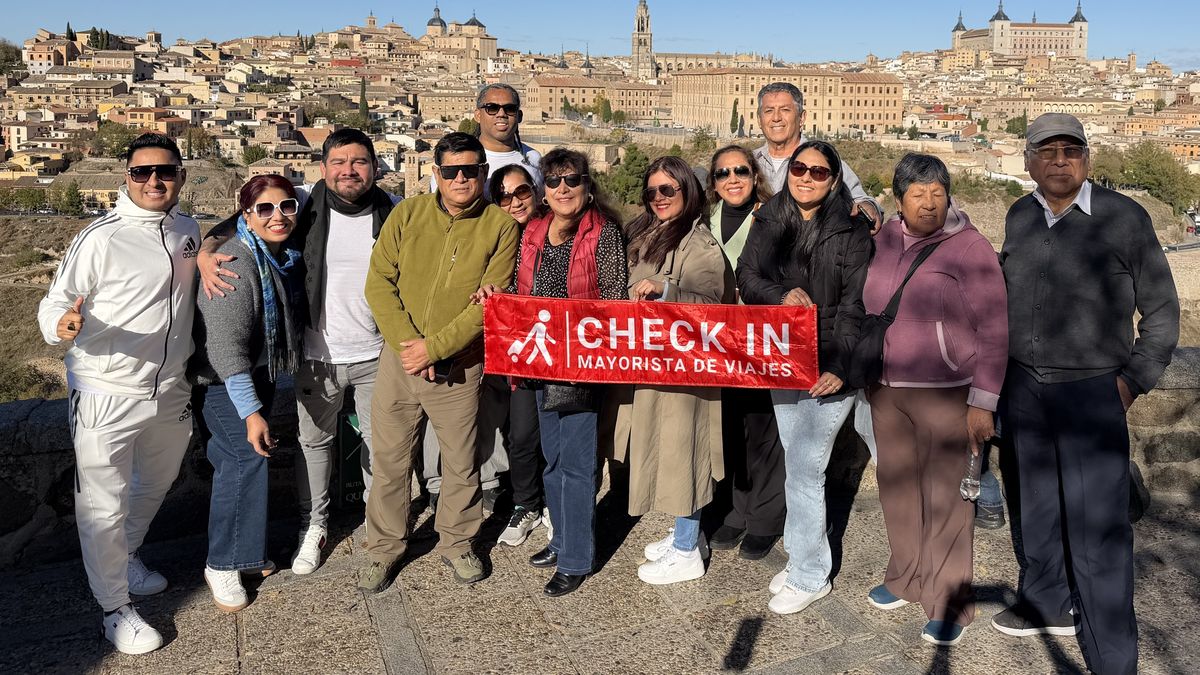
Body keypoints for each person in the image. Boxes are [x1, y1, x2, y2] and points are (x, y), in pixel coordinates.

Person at [992, 113, 1179, 674]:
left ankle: (1111, 659)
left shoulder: (1125, 218)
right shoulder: (1019, 215)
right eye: (1045, 151)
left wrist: (1130, 381)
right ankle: (1048, 603)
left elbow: (1163, 313)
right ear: (1027, 162)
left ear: (1087, 159)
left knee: (1098, 531)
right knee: (1039, 509)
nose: (1058, 160)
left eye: (1070, 151)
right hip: (1025, 388)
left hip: (1091, 392)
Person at [199, 129, 399, 576]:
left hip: (376, 354)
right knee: (313, 444)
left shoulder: (395, 211)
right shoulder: (303, 201)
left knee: (381, 447)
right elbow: (237, 221)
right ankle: (315, 526)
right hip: (313, 356)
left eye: (360, 161)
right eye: (339, 162)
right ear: (323, 168)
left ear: (375, 166)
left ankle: (380, 524)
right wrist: (205, 254)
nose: (349, 170)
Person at [36, 133, 198, 654]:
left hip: (170, 388)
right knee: (102, 504)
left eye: (166, 171)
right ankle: (114, 608)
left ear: (180, 177)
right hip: (106, 390)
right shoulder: (100, 237)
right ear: (124, 179)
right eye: (142, 173)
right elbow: (55, 300)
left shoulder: (188, 231)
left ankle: (126, 556)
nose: (154, 181)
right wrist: (60, 324)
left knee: (156, 481)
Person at [359, 132, 518, 590]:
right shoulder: (408, 214)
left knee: (461, 462)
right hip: (400, 362)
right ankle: (384, 548)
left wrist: (437, 348)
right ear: (436, 174)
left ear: (484, 173)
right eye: (452, 171)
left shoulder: (500, 227)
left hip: (460, 367)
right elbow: (378, 284)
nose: (461, 178)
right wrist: (412, 345)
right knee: (390, 461)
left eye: (471, 169)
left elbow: (490, 303)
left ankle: (458, 543)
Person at [862, 154, 1008, 646]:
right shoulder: (880, 240)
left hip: (947, 392)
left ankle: (949, 602)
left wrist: (983, 400)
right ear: (898, 200)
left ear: (948, 195)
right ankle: (905, 577)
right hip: (886, 390)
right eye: (917, 194)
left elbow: (994, 329)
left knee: (948, 498)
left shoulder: (971, 249)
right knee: (898, 490)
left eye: (937, 193)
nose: (928, 203)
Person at [475, 149, 628, 596]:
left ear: (587, 185)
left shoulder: (603, 234)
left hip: (580, 365)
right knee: (554, 459)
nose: (563, 189)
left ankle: (577, 558)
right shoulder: (536, 231)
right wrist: (494, 294)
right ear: (545, 189)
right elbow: (521, 290)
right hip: (538, 362)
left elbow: (614, 303)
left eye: (572, 181)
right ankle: (560, 539)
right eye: (555, 181)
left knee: (578, 466)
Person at [737, 140, 872, 615]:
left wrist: (841, 367)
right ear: (789, 171)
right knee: (798, 460)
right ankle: (801, 554)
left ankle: (811, 574)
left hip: (831, 363)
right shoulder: (770, 217)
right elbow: (746, 275)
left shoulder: (854, 231)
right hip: (784, 357)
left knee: (806, 467)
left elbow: (858, 306)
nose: (807, 177)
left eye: (819, 172)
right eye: (799, 169)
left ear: (834, 179)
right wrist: (780, 294)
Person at [603, 156, 735, 586]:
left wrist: (668, 289)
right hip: (650, 366)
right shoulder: (643, 232)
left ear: (688, 193)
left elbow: (717, 311)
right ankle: (685, 535)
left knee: (685, 455)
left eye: (668, 190)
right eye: (652, 191)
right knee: (663, 453)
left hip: (684, 374)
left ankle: (685, 551)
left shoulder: (700, 246)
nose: (658, 198)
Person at [425, 83, 544, 512]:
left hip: (517, 290)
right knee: (469, 401)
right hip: (470, 295)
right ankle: (462, 485)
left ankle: (507, 484)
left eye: (509, 108)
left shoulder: (533, 160)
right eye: (492, 107)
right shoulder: (462, 159)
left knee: (505, 400)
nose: (501, 114)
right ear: (477, 112)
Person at [191, 175, 305, 612]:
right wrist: (252, 412)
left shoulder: (275, 257)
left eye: (286, 207)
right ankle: (222, 563)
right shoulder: (235, 262)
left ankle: (245, 554)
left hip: (256, 375)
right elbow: (224, 347)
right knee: (244, 459)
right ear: (247, 216)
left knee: (248, 460)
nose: (278, 216)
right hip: (224, 382)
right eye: (265, 209)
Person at [699, 145, 785, 561]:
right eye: (722, 173)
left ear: (755, 176)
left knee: (763, 429)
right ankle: (736, 508)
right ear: (713, 183)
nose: (732, 179)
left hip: (761, 340)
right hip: (717, 342)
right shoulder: (704, 222)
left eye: (740, 171)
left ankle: (765, 519)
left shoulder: (775, 216)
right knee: (730, 426)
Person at [486, 165, 551, 547]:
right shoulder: (498, 236)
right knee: (522, 433)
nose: (514, 201)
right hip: (520, 351)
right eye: (505, 196)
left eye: (521, 191)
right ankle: (527, 502)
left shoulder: (557, 228)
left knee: (559, 432)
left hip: (557, 345)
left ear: (536, 191)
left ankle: (554, 504)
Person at [751, 82, 881, 229]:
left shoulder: (824, 160)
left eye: (785, 110)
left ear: (802, 118)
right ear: (759, 119)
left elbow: (862, 201)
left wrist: (869, 208)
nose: (776, 118)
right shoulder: (749, 163)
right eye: (768, 111)